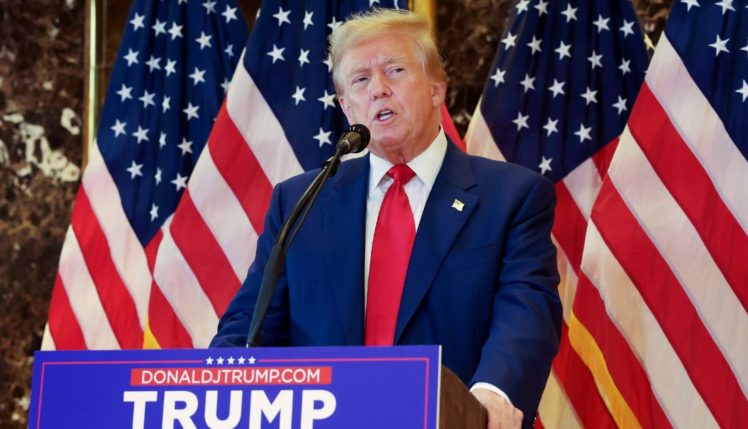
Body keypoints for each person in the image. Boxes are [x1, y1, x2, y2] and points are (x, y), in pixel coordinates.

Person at [211, 9, 562, 429]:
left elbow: (526, 311)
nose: (378, 89)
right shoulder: (301, 201)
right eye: (360, 80)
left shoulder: (512, 198)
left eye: (395, 71)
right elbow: (252, 323)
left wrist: (492, 392)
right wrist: (214, 387)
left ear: (436, 89)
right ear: (346, 106)